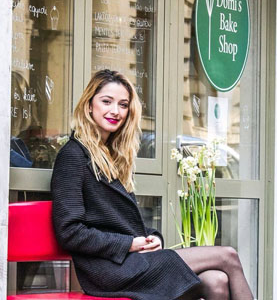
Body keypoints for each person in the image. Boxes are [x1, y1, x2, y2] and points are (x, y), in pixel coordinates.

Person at [51, 69, 254, 300]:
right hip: (108, 268)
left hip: (129, 261)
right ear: (89, 105)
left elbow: (126, 224)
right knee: (228, 255)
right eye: (106, 101)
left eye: (123, 104)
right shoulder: (74, 155)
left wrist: (154, 238)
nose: (115, 111)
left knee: (217, 280)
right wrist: (129, 244)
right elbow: (70, 232)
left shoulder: (113, 157)